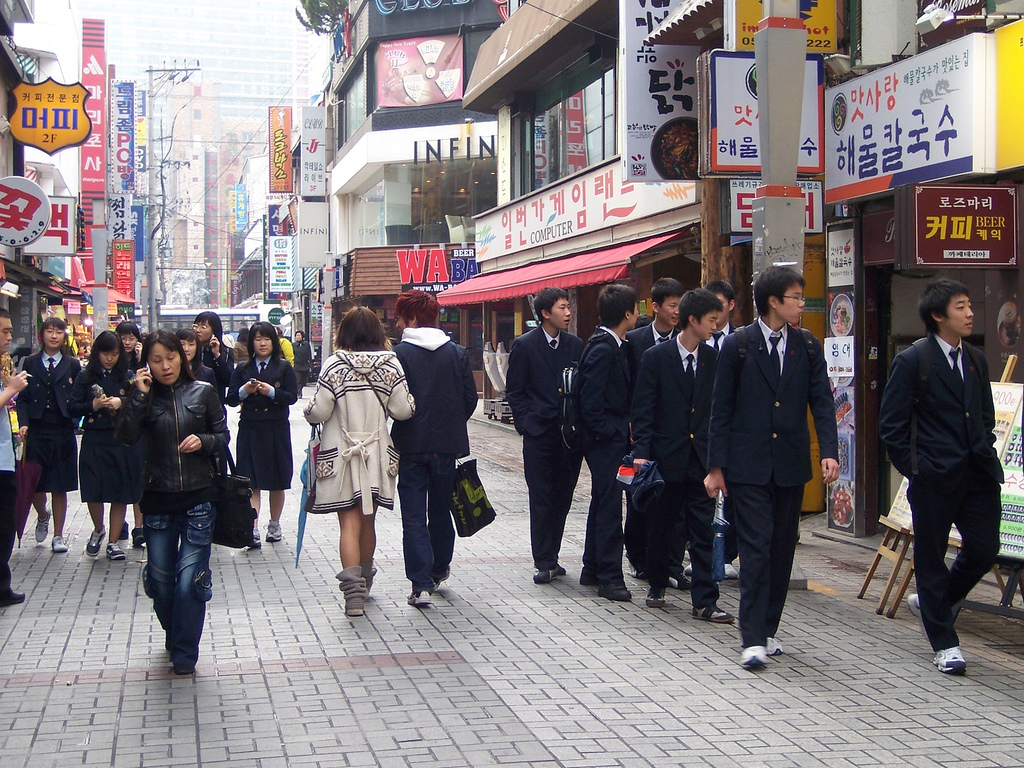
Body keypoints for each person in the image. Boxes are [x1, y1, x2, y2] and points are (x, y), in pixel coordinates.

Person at [705, 267, 839, 670]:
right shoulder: (739, 345)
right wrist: (716, 467)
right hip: (747, 467)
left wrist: (829, 452)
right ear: (773, 302)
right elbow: (721, 409)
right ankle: (751, 638)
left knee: (781, 552)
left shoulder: (808, 346)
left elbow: (823, 403)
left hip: (790, 465)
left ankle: (768, 629)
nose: (801, 303)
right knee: (756, 548)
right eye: (795, 297)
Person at [879, 279, 1003, 675]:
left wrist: (985, 446)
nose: (970, 314)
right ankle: (945, 644)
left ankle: (934, 602)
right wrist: (916, 469)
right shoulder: (915, 360)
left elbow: (984, 414)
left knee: (984, 548)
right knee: (930, 558)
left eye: (970, 306)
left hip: (977, 473)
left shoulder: (976, 360)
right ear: (938, 316)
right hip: (933, 477)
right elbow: (892, 425)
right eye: (961, 307)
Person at [116, 330, 227, 675]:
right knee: (161, 582)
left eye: (172, 357)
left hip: (199, 498)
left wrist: (204, 441)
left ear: (183, 356)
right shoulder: (143, 397)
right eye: (157, 360)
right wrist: (138, 395)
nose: (166, 366)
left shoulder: (204, 392)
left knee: (188, 580)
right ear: (145, 363)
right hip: (158, 499)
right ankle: (175, 632)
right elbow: (125, 435)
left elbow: (223, 437)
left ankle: (184, 653)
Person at [632, 289, 735, 623]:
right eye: (710, 321)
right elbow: (644, 410)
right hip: (665, 457)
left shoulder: (713, 358)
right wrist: (643, 455)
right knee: (663, 526)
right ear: (693, 321)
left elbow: (720, 412)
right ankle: (658, 583)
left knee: (703, 530)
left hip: (701, 459)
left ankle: (705, 600)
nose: (715, 327)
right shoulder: (656, 357)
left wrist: (719, 458)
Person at [303, 308, 415, 616]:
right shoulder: (391, 364)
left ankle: (352, 596)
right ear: (378, 332)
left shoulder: (334, 364)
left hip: (341, 455)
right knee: (369, 520)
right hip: (376, 455)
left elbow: (320, 411)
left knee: (348, 525)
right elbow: (403, 410)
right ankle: (364, 581)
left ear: (345, 332)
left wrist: (308, 411)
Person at [391, 290, 477, 608]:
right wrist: (452, 422)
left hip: (410, 444)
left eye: (400, 318)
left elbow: (392, 401)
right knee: (440, 511)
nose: (399, 324)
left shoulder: (399, 355)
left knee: (413, 516)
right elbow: (470, 398)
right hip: (446, 446)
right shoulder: (455, 352)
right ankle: (439, 568)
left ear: (411, 318)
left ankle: (420, 582)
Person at [505, 287, 584, 585]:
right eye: (562, 308)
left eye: (569, 307)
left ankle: (554, 554)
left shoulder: (576, 345)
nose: (568, 313)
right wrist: (525, 422)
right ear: (545, 314)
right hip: (538, 434)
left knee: (563, 496)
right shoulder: (525, 345)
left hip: (568, 435)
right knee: (541, 496)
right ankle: (543, 559)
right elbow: (515, 389)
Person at [578, 284, 638, 602]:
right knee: (610, 508)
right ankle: (610, 578)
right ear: (627, 314)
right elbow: (591, 402)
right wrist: (611, 433)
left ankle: (592, 568)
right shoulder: (604, 348)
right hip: (604, 443)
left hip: (606, 439)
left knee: (602, 502)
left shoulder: (608, 343)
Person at [623, 278, 684, 583]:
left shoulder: (686, 341)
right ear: (656, 307)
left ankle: (670, 565)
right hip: (641, 433)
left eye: (680, 305)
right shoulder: (634, 341)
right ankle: (638, 557)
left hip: (675, 434)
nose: (677, 311)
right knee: (640, 498)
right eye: (672, 305)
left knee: (674, 503)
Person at [68, 331, 142, 560]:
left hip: (119, 438)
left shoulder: (127, 375)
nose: (109, 358)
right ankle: (98, 529)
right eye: (105, 353)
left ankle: (113, 541)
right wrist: (94, 404)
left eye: (114, 354)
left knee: (119, 490)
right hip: (94, 437)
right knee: (93, 489)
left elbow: (141, 402)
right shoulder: (86, 376)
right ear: (96, 353)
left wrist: (121, 402)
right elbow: (72, 406)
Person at [226, 321, 298, 546]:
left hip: (276, 428)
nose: (262, 343)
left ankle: (274, 523)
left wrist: (272, 392)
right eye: (258, 339)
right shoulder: (243, 368)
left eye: (266, 339)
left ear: (274, 342)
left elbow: (292, 396)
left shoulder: (284, 367)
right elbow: (230, 399)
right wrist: (245, 391)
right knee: (251, 479)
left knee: (277, 479)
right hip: (250, 428)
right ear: (251, 343)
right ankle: (253, 526)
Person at [16, 317, 81, 554]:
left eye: (59, 332)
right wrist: (23, 423)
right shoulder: (30, 363)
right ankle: (43, 515)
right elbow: (22, 398)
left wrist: (74, 420)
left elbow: (78, 396)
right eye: (49, 331)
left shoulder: (72, 364)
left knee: (60, 484)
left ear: (65, 336)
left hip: (62, 429)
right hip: (36, 429)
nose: (54, 336)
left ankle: (58, 535)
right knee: (34, 484)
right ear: (41, 335)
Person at [702, 278, 740, 581]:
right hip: (702, 430)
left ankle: (728, 552)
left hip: (733, 431)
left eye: (719, 305)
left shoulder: (740, 342)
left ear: (731, 305)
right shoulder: (697, 339)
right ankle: (704, 550)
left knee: (733, 492)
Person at [0, 309, 29, 606]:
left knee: (6, 525)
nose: (10, 336)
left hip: (5, 458)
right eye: (5, 331)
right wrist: (10, 390)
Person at [193, 310, 234, 406]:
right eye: (195, 325)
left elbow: (228, 380)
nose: (198, 330)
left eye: (203, 327)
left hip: (215, 405)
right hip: (192, 404)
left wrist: (217, 355)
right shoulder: (188, 352)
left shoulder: (226, 352)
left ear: (214, 331)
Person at [293, 330, 313, 395]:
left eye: (299, 335)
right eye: (296, 335)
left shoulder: (306, 344)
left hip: (304, 365)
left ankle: (300, 389)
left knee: (303, 380)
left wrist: (310, 364)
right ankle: (298, 393)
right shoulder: (293, 345)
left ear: (302, 336)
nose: (298, 337)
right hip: (296, 365)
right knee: (298, 380)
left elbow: (309, 354)